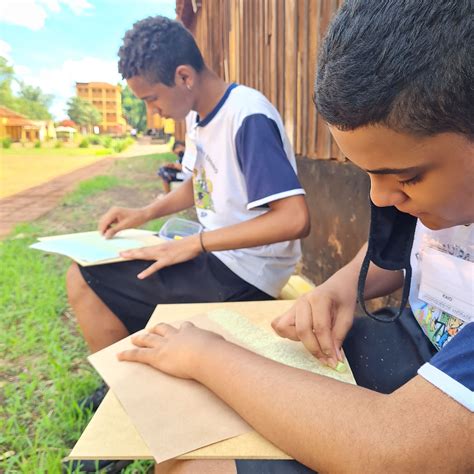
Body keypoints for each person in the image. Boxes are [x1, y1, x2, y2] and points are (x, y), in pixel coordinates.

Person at [117, 1, 473, 473]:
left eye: (404, 178)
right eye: (366, 174)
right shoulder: (435, 190)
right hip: (409, 336)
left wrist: (208, 355)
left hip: (429, 401)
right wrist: (341, 287)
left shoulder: (246, 116)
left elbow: (396, 452)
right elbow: (413, 249)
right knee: (189, 444)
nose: (381, 198)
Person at [66, 16, 309, 388]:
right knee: (99, 264)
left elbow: (293, 219)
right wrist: (142, 214)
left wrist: (194, 244)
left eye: (152, 98)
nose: (153, 111)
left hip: (246, 273)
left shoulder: (246, 116)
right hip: (215, 257)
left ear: (183, 76)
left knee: (84, 278)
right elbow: (196, 184)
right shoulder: (199, 118)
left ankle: (122, 393)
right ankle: (127, 385)